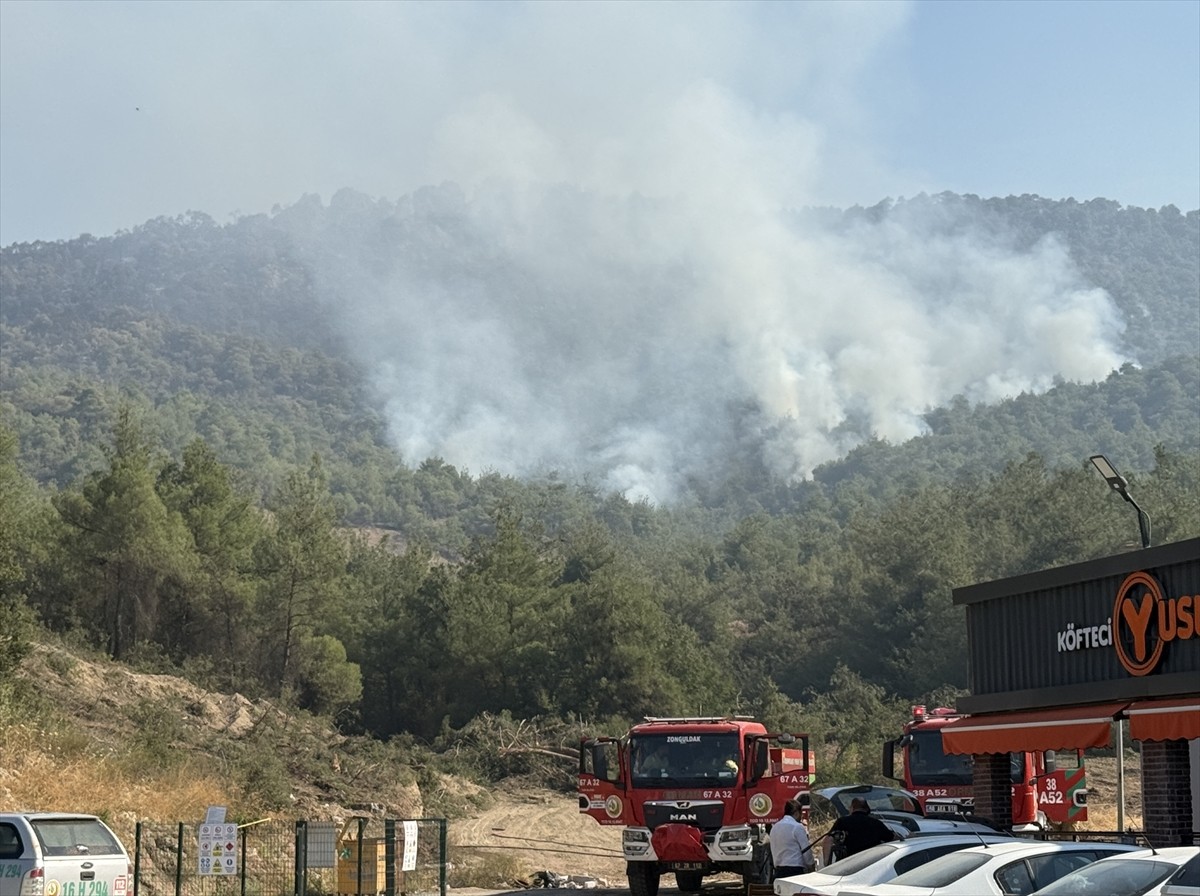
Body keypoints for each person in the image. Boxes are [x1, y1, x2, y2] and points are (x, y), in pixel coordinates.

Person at [824, 797, 895, 864]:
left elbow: (828, 840)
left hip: (848, 863)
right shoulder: (876, 823)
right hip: (872, 863)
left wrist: (827, 863)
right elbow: (893, 838)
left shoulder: (842, 822)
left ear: (852, 808)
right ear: (867, 809)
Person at [769, 797, 815, 878]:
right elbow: (806, 851)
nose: (801, 817)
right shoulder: (797, 827)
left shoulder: (775, 827)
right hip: (795, 872)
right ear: (797, 813)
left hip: (778, 872)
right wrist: (811, 868)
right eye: (801, 814)